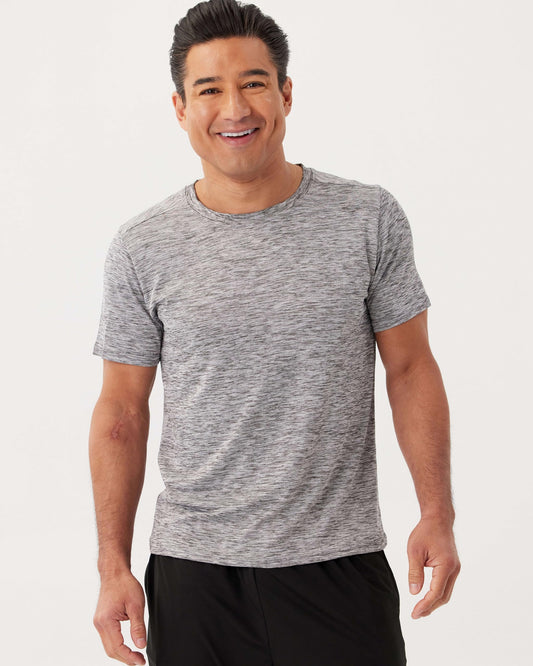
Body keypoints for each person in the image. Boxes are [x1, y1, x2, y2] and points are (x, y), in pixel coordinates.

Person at [89, 0, 461, 664]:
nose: (234, 108)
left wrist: (437, 512)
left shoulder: (367, 219)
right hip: (195, 575)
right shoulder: (142, 246)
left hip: (339, 565)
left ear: (285, 94)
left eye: (253, 83)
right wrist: (111, 565)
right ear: (180, 108)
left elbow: (410, 368)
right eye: (209, 89)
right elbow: (121, 408)